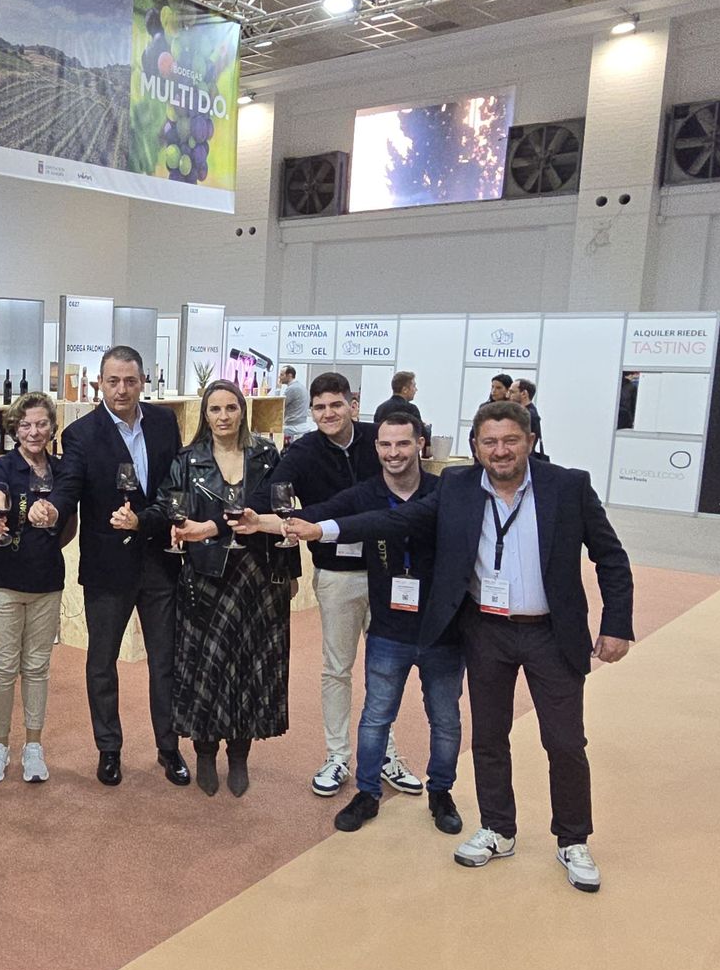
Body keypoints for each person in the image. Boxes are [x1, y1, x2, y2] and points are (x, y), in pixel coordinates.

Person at [287, 400, 634, 894]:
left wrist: (616, 624)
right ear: (474, 447)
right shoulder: (460, 486)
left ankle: (573, 839)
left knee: (564, 741)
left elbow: (611, 558)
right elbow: (394, 522)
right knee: (489, 738)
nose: (500, 451)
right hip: (485, 631)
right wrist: (322, 528)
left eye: (510, 440)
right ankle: (498, 828)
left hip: (551, 633)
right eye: (489, 441)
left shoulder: (568, 486)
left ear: (530, 440)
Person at [260, 413, 462, 836]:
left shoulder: (446, 491)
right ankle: (366, 792)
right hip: (390, 625)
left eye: (403, 445)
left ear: (421, 445)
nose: (394, 453)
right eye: (386, 446)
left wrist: (319, 530)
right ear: (377, 449)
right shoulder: (367, 492)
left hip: (441, 627)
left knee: (444, 719)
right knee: (375, 713)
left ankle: (441, 793)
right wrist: (266, 522)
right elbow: (321, 511)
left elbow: (377, 524)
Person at [267, 372, 420, 799]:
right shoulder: (303, 452)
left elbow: (412, 485)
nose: (328, 414)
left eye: (336, 405)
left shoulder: (379, 440)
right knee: (336, 669)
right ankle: (337, 756)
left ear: (352, 404)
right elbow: (274, 495)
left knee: (385, 669)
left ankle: (384, 753)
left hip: (390, 572)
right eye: (319, 408)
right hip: (337, 575)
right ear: (311, 411)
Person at [51, 346, 190, 787]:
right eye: (113, 381)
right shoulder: (80, 435)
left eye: (130, 381)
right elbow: (69, 486)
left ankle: (169, 748)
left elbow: (176, 489)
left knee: (164, 661)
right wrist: (52, 512)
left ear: (143, 381)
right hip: (107, 566)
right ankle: (109, 749)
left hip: (159, 563)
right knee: (102, 661)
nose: (122, 389)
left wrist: (153, 521)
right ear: (99, 382)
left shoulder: (166, 422)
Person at [165, 380, 298, 797]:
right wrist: (173, 523)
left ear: (243, 411)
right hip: (206, 575)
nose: (223, 417)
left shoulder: (267, 455)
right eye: (214, 410)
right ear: (204, 416)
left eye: (230, 408)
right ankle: (205, 750)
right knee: (207, 666)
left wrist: (289, 571)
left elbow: (283, 514)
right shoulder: (188, 460)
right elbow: (171, 506)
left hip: (259, 574)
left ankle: (239, 753)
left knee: (249, 665)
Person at [0, 393, 75, 783]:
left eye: (42, 424)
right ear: (14, 428)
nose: (34, 432)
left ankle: (34, 746)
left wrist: (51, 518)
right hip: (0, 581)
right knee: (2, 667)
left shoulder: (63, 470)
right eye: (26, 425)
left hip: (47, 580)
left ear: (52, 428)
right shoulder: (2, 464)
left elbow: (68, 515)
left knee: (37, 667)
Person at [512, 379, 544, 458]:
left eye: (512, 392)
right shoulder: (528, 411)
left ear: (524, 394)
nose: (507, 395)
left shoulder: (529, 415)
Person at [279, 365, 314, 436]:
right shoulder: (301, 387)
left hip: (292, 428)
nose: (279, 377)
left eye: (281, 375)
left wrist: (278, 388)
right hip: (302, 426)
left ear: (289, 375)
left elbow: (279, 406)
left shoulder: (292, 389)